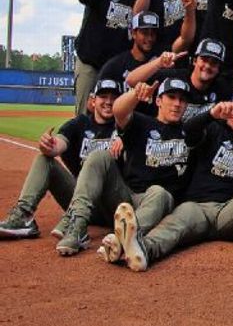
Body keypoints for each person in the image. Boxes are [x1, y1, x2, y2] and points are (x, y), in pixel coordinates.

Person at [106, 86, 233, 272]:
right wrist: (211, 114)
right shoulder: (215, 129)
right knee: (176, 224)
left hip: (229, 211)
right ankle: (143, 250)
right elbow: (189, 132)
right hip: (198, 206)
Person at [56, 77, 191, 256]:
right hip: (127, 198)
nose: (177, 104)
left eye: (182, 100)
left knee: (159, 192)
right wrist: (136, 93)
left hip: (157, 203)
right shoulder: (141, 123)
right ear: (158, 101)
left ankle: (121, 240)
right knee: (99, 156)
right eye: (171, 97)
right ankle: (77, 225)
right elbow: (119, 110)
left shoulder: (191, 132)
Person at [0, 80, 119, 239]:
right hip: (80, 203)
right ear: (92, 100)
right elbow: (59, 144)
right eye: (103, 96)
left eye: (113, 98)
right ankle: (24, 216)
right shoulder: (80, 123)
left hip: (113, 206)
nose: (108, 102)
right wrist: (50, 146)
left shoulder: (125, 125)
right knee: (44, 159)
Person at [73, 0, 143, 114]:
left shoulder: (132, 0)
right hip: (90, 64)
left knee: (110, 117)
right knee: (84, 116)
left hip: (112, 70)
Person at [126, 37, 233, 120]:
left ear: (219, 68)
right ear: (194, 61)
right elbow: (131, 80)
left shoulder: (223, 88)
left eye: (214, 63)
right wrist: (159, 62)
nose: (207, 66)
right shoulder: (172, 77)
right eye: (204, 60)